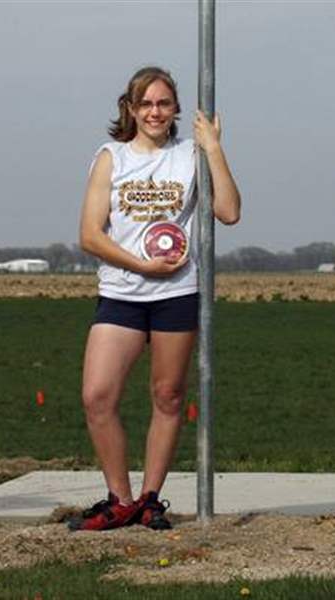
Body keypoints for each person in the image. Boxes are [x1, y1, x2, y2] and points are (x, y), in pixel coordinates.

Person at [71, 66, 241, 531]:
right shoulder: (112, 157)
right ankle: (119, 498)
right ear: (129, 108)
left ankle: (149, 499)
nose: (154, 112)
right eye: (145, 103)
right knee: (97, 396)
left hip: (177, 294)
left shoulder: (190, 156)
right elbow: (89, 234)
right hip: (123, 294)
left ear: (176, 110)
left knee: (167, 396)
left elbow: (228, 211)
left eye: (164, 103)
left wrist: (214, 149)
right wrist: (140, 264)